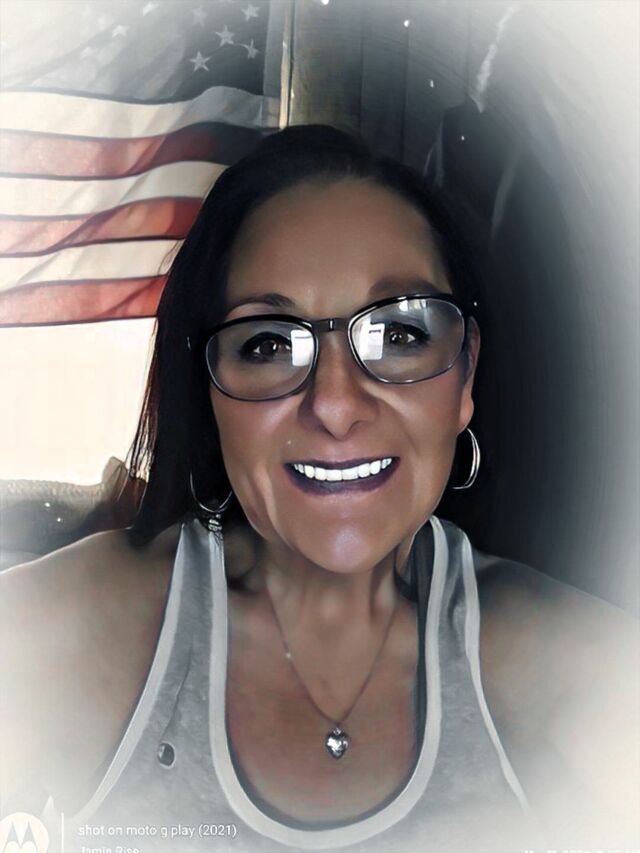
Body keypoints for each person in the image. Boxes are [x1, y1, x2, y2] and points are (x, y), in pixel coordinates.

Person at [1, 125, 637, 853]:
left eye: (400, 334)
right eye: (269, 344)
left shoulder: (587, 674)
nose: (335, 405)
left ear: (464, 376)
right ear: (210, 392)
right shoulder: (60, 637)